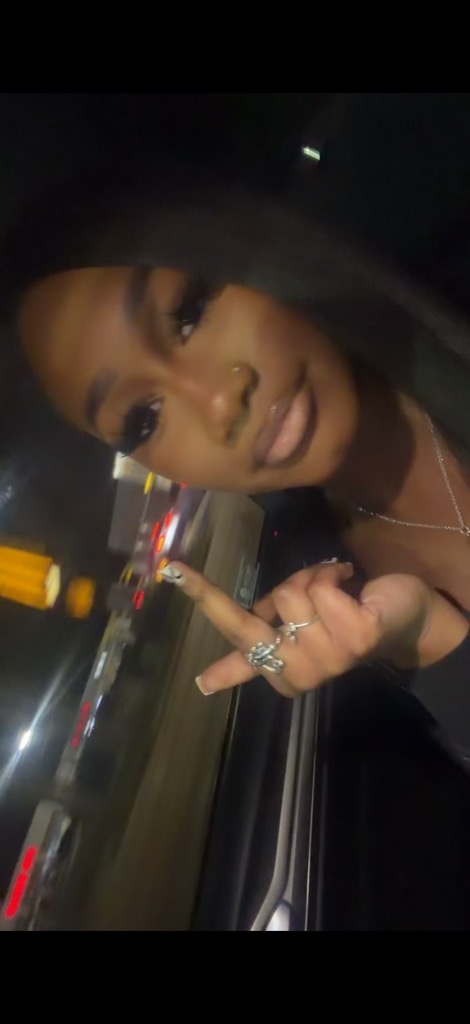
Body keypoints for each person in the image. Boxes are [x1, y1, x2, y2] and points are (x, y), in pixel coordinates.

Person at [3, 160, 470, 761]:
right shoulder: (340, 605)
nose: (221, 404)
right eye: (143, 419)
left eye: (191, 311)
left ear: (251, 251)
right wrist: (429, 639)